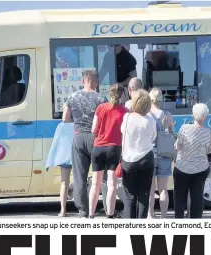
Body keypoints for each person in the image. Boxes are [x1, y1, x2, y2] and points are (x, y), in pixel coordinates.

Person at [65, 69, 108, 218]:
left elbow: (65, 118)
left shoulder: (72, 97)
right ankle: (106, 207)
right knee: (101, 176)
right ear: (97, 82)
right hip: (95, 139)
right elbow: (105, 121)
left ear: (83, 80)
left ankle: (83, 210)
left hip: (78, 138)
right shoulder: (101, 99)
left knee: (79, 177)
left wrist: (77, 122)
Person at [88, 84, 127, 218]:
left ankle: (91, 215)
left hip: (98, 147)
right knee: (111, 184)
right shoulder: (125, 111)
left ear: (109, 93)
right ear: (122, 94)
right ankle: (110, 215)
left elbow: (93, 130)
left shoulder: (101, 108)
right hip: (114, 149)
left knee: (95, 184)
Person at [173, 103, 211, 219]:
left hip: (182, 168)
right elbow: (209, 150)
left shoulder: (184, 128)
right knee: (197, 197)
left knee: (179, 196)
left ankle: (179, 222)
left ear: (193, 115)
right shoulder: (208, 131)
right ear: (206, 116)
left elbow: (178, 147)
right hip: (200, 169)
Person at [119, 90, 156, 219]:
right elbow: (153, 137)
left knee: (129, 196)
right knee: (144, 194)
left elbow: (122, 132)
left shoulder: (127, 117)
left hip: (128, 159)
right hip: (146, 157)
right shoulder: (150, 120)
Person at [147, 88, 176, 219]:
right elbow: (172, 133)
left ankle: (150, 215)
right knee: (163, 189)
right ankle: (163, 216)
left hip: (150, 154)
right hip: (164, 154)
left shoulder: (146, 114)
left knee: (150, 190)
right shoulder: (167, 115)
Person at [46, 104, 75, 217]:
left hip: (64, 158)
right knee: (79, 182)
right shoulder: (78, 125)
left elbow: (55, 145)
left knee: (64, 184)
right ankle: (83, 209)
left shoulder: (60, 126)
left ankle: (63, 210)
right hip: (77, 157)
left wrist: (50, 160)